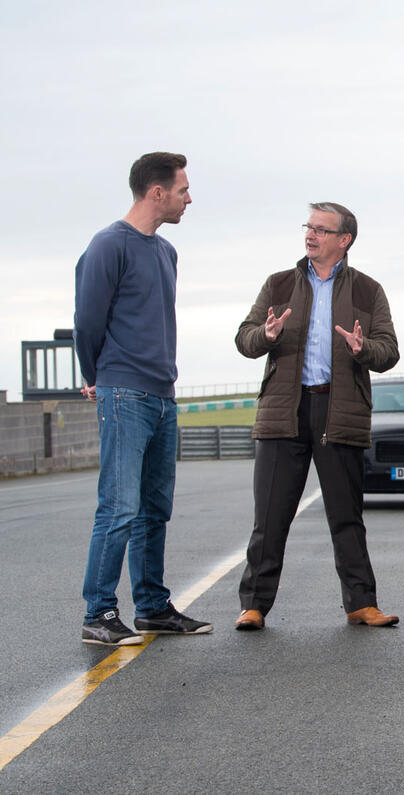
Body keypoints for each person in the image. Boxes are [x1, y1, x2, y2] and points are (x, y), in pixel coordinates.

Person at [233, 202, 400, 631]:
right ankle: (253, 605)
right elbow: (245, 338)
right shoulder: (279, 284)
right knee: (269, 518)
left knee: (346, 517)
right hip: (283, 412)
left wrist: (364, 350)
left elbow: (389, 352)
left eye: (322, 230)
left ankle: (362, 604)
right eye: (309, 226)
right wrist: (265, 335)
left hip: (339, 410)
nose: (311, 235)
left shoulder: (368, 290)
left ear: (344, 240)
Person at [74, 151, 213, 646]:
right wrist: (95, 375)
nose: (188, 198)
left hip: (162, 394)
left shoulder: (166, 252)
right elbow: (87, 320)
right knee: (119, 507)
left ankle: (152, 607)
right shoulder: (109, 245)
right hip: (124, 392)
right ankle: (100, 612)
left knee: (155, 508)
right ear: (157, 192)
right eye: (182, 190)